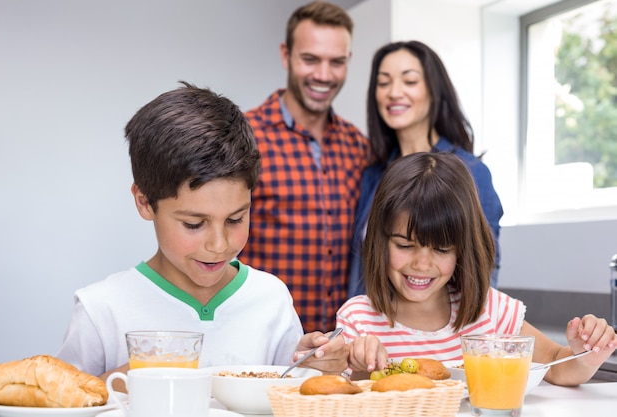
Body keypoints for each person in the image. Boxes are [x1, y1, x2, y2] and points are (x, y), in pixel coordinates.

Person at [56, 82, 382, 382]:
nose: (218, 244)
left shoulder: (270, 299)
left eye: (236, 219)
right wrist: (124, 381)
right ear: (144, 202)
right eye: (193, 224)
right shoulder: (101, 310)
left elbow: (291, 394)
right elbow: (60, 405)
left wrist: (317, 368)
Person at [337, 152, 617, 385]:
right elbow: (346, 395)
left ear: (462, 250)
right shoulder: (358, 319)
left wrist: (585, 355)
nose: (422, 264)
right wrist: (363, 365)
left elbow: (556, 365)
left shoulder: (490, 311)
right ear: (380, 242)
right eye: (404, 246)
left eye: (442, 249)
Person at [239, 1, 370, 334]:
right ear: (287, 55)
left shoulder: (358, 146)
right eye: (310, 59)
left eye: (336, 62)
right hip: (262, 341)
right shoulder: (244, 137)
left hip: (340, 348)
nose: (323, 75)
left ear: (348, 62)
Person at [347, 40, 503, 299]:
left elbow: (483, 273)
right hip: (371, 331)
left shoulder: (471, 172)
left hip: (439, 336)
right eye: (384, 83)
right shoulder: (373, 176)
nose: (394, 92)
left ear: (434, 90)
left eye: (409, 81)